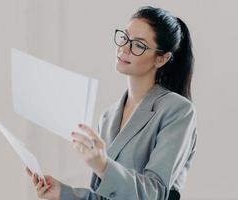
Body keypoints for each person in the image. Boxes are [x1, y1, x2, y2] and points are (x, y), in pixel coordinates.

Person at [26, 6, 197, 200]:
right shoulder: (108, 117)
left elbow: (154, 194)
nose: (124, 48)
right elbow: (104, 197)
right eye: (124, 37)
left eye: (138, 45)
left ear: (161, 59)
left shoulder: (178, 111)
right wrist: (62, 193)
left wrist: (103, 165)